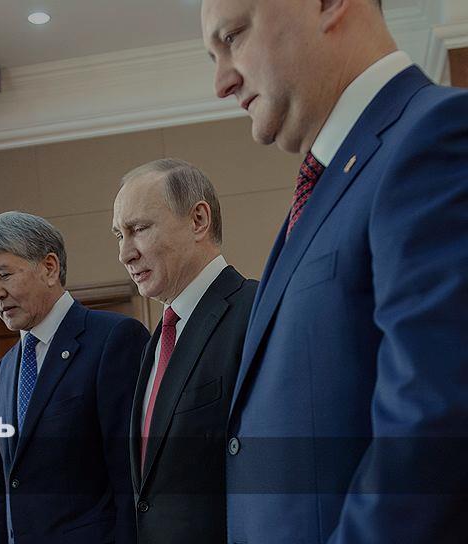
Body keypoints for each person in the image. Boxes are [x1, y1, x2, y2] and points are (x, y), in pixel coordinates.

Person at [201, 0, 468, 541]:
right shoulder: (328, 182)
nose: (222, 82)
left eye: (233, 37)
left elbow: (434, 427)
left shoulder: (437, 135)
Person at [0, 211, 148, 544]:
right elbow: (0, 487)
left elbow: (130, 477)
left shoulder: (114, 338)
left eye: (4, 274)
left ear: (49, 268)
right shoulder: (6, 368)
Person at [112, 159, 257, 543]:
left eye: (138, 229)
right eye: (119, 236)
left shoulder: (258, 312)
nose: (125, 254)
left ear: (198, 220)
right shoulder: (156, 342)